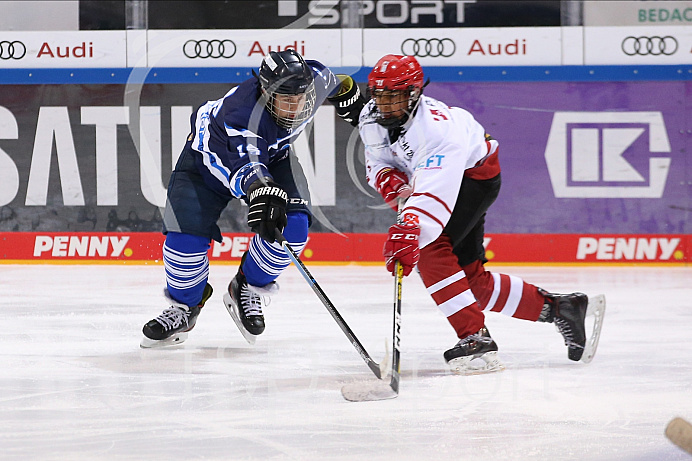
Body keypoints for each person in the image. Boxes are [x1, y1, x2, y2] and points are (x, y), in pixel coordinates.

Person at [332, 54, 597, 374]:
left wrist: (410, 226)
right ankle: (561, 309)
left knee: (428, 250)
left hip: (473, 178)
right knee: (467, 280)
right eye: (380, 95)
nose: (385, 105)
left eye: (395, 96)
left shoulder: (438, 133)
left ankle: (475, 337)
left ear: (414, 94)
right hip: (438, 180)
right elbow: (379, 166)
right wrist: (398, 190)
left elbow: (433, 195)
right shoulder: (372, 116)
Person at [141, 50, 350, 347]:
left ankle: (247, 287)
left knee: (294, 229)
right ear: (266, 92)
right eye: (286, 101)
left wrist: (350, 94)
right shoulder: (242, 115)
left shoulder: (311, 83)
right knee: (183, 242)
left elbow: (335, 79)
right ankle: (184, 307)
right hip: (205, 163)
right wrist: (262, 189)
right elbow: (248, 162)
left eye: (299, 100)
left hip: (274, 158)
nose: (294, 108)